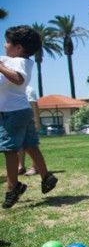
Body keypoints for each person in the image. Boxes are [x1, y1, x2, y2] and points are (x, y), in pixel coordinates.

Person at [0, 26, 58, 209]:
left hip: (12, 113)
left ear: (19, 48)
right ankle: (46, 176)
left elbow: (18, 79)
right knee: (30, 146)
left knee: (9, 150)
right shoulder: (11, 60)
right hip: (20, 111)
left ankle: (13, 187)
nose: (4, 44)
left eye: (8, 42)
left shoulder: (21, 63)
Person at [18, 85, 40, 176]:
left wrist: (36, 122)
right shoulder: (14, 90)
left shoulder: (29, 90)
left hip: (29, 122)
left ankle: (35, 167)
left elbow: (34, 106)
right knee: (20, 145)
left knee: (32, 145)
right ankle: (21, 166)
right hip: (18, 121)